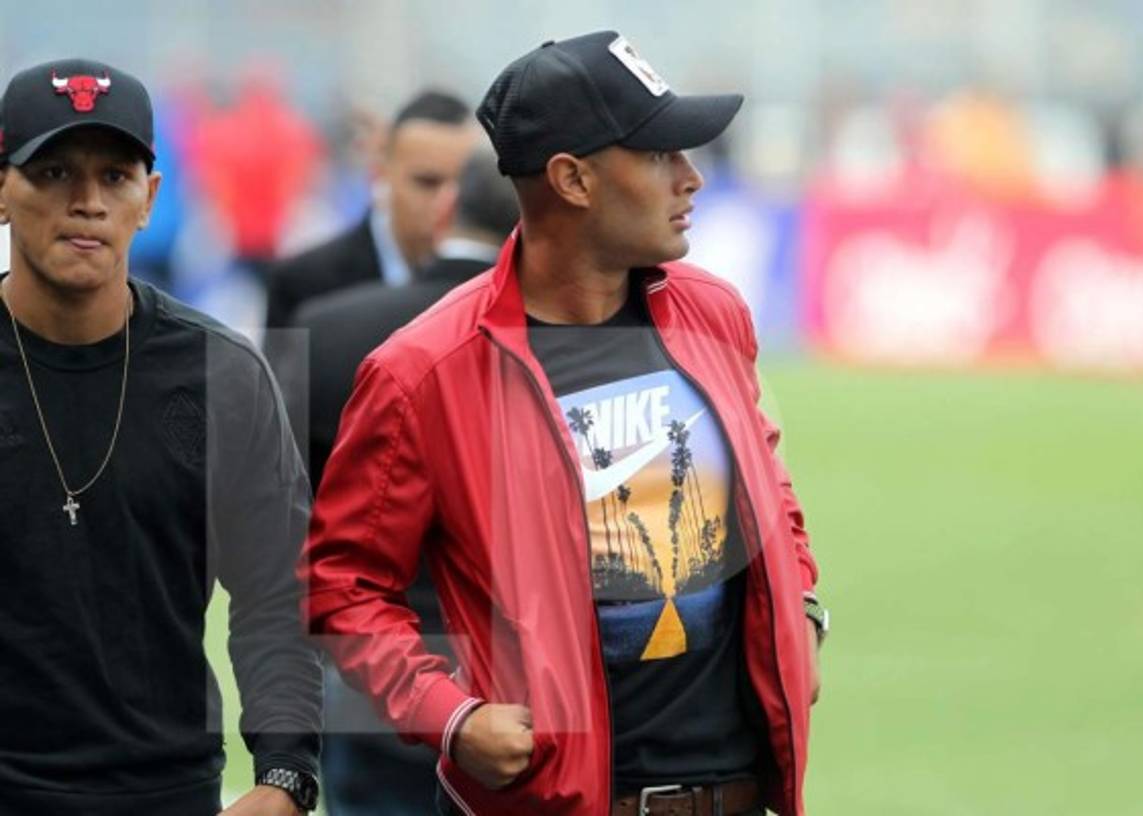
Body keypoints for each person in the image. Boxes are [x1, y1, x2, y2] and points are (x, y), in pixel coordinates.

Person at [301, 31, 826, 816]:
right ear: (572, 179)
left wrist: (806, 615)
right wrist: (450, 718)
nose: (690, 178)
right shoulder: (424, 371)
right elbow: (343, 589)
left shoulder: (713, 313)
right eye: (658, 155)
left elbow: (768, 489)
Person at [0, 59, 322, 815]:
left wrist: (285, 775)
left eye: (114, 176)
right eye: (51, 172)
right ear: (2, 189)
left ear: (148, 200)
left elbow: (281, 590)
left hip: (166, 788)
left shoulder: (222, 373)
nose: (85, 202)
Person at [290, 149, 518, 815]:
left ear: (450, 209)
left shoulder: (324, 326)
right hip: (514, 699)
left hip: (366, 680)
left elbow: (272, 520)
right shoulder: (553, 341)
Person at [263, 90, 478, 331]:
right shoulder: (302, 284)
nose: (447, 201)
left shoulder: (494, 282)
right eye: (427, 183)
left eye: (463, 183)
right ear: (379, 176)